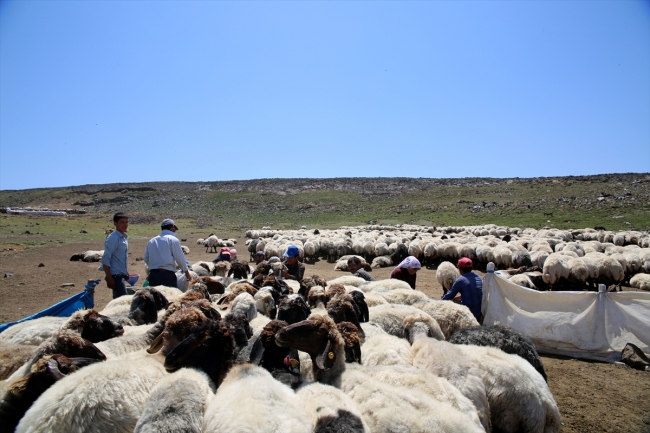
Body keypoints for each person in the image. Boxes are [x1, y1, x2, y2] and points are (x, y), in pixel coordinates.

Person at [144, 218, 191, 288]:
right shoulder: (173, 240)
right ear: (172, 227)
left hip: (153, 275)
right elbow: (180, 259)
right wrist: (187, 273)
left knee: (155, 297)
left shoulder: (152, 241)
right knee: (170, 297)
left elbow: (146, 258)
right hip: (167, 275)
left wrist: (154, 266)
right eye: (174, 228)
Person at [441, 257, 483, 322]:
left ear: (460, 269)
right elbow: (474, 292)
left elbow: (449, 296)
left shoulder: (461, 280)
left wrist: (439, 302)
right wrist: (459, 297)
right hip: (480, 311)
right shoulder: (479, 278)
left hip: (468, 314)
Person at [102, 212, 129, 299]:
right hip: (115, 275)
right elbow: (106, 258)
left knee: (119, 300)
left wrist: (125, 272)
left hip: (121, 274)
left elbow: (120, 257)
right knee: (121, 302)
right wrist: (109, 278)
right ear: (115, 224)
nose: (125, 224)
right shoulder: (113, 238)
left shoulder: (123, 237)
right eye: (122, 222)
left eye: (126, 222)